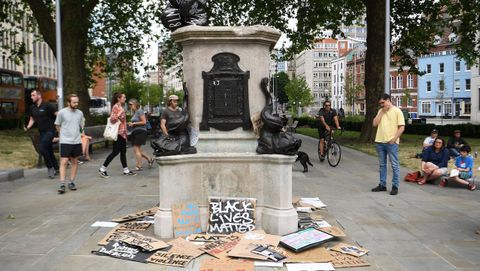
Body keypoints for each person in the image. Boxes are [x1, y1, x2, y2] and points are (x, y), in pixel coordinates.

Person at [371, 93, 405, 195]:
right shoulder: (380, 111)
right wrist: (382, 112)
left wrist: (394, 139)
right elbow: (374, 124)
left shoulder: (397, 111)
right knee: (382, 165)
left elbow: (402, 127)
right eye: (380, 103)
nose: (382, 105)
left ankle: (395, 186)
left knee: (394, 165)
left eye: (383, 102)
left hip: (391, 143)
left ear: (389, 100)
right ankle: (382, 184)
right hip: (380, 141)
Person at [98, 92, 136, 178]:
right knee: (115, 151)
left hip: (122, 133)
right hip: (118, 133)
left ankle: (126, 170)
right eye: (124, 97)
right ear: (119, 98)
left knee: (123, 152)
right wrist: (120, 113)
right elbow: (112, 119)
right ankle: (102, 168)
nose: (125, 99)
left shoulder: (120, 107)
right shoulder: (116, 107)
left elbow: (123, 121)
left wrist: (125, 133)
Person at [24, 89, 59, 178]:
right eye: (31, 95)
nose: (31, 97)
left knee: (42, 148)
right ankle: (56, 167)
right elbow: (32, 119)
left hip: (50, 132)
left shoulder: (48, 106)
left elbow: (58, 115)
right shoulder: (33, 108)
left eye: (33, 95)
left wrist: (60, 127)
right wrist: (28, 126)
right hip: (42, 132)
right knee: (49, 150)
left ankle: (50, 168)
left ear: (39, 96)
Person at [54, 94, 84, 194]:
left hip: (76, 141)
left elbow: (81, 125)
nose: (76, 104)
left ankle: (71, 182)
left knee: (75, 162)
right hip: (65, 141)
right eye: (74, 102)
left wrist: (80, 133)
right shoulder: (62, 113)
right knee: (64, 162)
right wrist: (62, 134)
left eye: (77, 102)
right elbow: (57, 125)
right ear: (68, 102)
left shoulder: (80, 113)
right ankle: (62, 184)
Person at [127, 99, 154, 170]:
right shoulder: (135, 112)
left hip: (140, 131)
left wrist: (134, 123)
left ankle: (139, 166)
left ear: (135, 104)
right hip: (136, 131)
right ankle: (149, 159)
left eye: (131, 104)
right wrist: (131, 124)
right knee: (137, 149)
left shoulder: (140, 111)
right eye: (129, 105)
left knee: (136, 149)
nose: (130, 106)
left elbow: (144, 122)